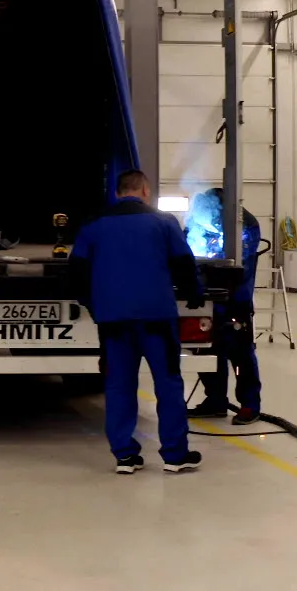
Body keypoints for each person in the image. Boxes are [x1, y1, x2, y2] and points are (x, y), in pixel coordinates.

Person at [70, 170, 206, 474]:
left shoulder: (94, 225)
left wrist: (92, 304)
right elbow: (184, 264)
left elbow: (77, 271)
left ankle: (125, 456)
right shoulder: (163, 222)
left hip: (113, 320)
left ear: (118, 193)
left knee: (119, 385)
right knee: (168, 383)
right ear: (145, 191)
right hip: (157, 317)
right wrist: (194, 293)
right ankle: (174, 455)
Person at [181, 189, 264, 425]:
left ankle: (250, 405)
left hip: (235, 299)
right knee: (207, 350)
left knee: (240, 353)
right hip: (208, 300)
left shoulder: (243, 225)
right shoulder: (198, 222)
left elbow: (238, 263)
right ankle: (215, 400)